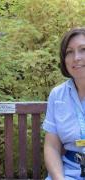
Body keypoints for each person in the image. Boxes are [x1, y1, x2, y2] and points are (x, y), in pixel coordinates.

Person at [42, 27, 85, 180]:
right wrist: (59, 178)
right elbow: (52, 147)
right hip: (69, 172)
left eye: (83, 49)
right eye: (69, 52)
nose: (76, 58)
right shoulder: (58, 95)